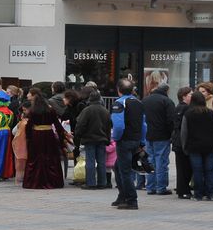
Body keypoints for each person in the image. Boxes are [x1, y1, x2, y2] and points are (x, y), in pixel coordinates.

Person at [110, 78, 145, 210]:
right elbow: (144, 125)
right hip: (135, 140)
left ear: (118, 90)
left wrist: (116, 138)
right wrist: (142, 141)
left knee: (124, 171)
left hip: (124, 141)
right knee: (118, 167)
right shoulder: (138, 103)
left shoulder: (119, 103)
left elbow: (118, 126)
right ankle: (122, 196)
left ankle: (131, 200)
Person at [23, 89, 66, 189]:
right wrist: (62, 137)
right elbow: (57, 124)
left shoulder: (33, 111)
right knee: (51, 158)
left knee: (35, 158)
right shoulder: (50, 110)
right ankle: (53, 181)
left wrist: (28, 138)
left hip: (36, 136)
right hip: (49, 136)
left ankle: (34, 181)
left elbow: (29, 126)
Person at [181, 91, 213, 202]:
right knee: (209, 170)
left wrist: (185, 147)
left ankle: (198, 194)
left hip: (194, 147)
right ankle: (211, 194)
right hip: (210, 146)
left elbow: (184, 132)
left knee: (197, 171)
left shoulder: (188, 114)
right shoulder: (211, 113)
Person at [74, 87, 112, 190]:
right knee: (101, 162)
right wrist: (108, 139)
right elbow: (108, 126)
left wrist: (78, 135)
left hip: (89, 139)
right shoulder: (105, 111)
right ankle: (102, 182)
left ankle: (90, 183)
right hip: (102, 139)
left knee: (90, 161)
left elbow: (80, 125)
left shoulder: (87, 110)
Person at [143, 81, 176, 195]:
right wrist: (171, 133)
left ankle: (150, 187)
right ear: (167, 90)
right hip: (162, 136)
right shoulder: (167, 101)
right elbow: (171, 120)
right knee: (161, 161)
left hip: (148, 135)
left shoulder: (145, 100)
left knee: (150, 160)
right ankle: (161, 187)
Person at [171, 87, 194, 199]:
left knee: (182, 167)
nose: (192, 96)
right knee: (185, 167)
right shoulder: (186, 109)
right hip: (183, 142)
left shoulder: (178, 107)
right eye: (190, 94)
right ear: (184, 96)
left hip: (177, 141)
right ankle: (183, 190)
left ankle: (182, 189)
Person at [11, 100, 30, 185]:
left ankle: (19, 180)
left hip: (21, 146)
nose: (23, 112)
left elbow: (14, 132)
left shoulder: (22, 123)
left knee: (20, 164)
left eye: (25, 110)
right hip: (27, 145)